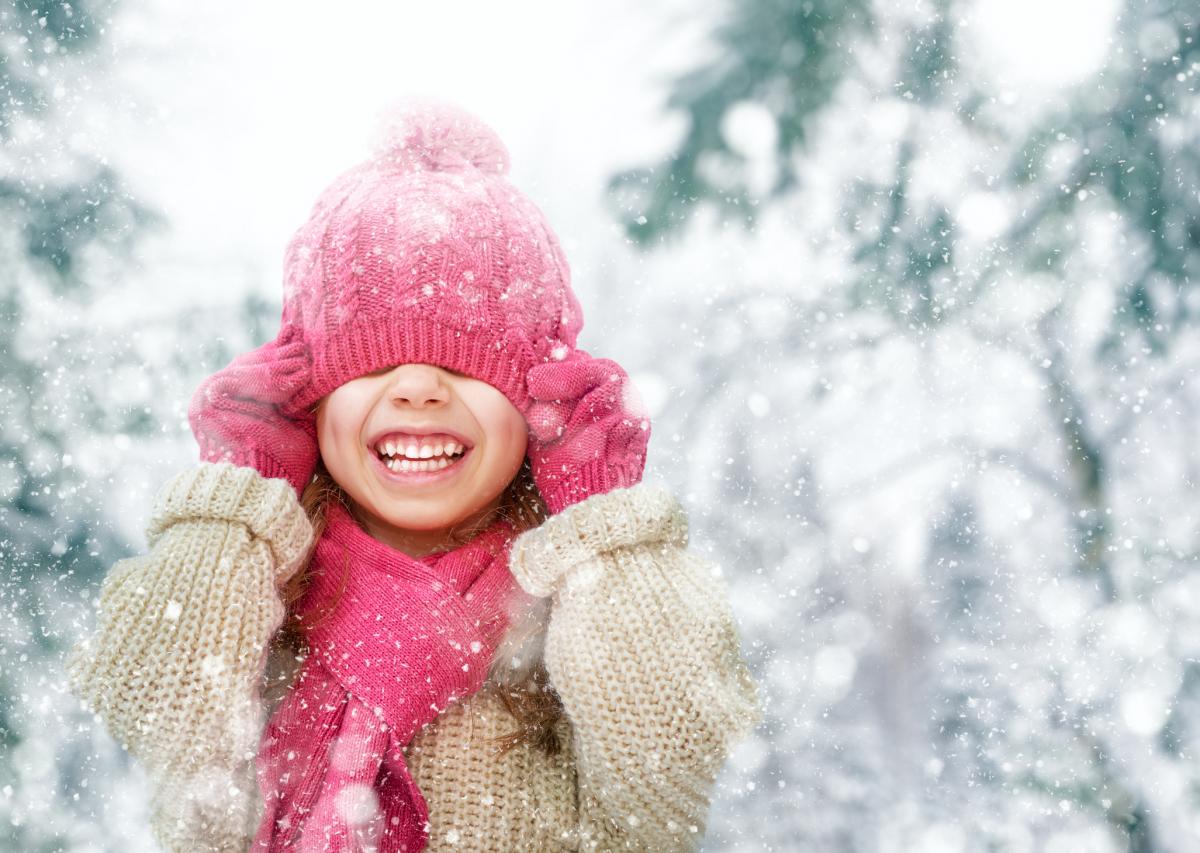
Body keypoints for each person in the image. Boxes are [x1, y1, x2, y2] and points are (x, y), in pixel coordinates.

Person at [66, 98, 762, 852]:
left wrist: (602, 521)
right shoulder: (254, 590)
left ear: (535, 404)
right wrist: (241, 497)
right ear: (312, 401)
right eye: (369, 363)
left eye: (468, 362)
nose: (419, 387)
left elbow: (670, 758)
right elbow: (158, 706)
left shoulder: (577, 608)